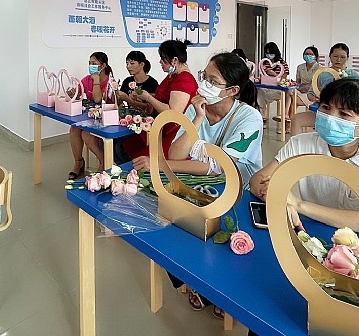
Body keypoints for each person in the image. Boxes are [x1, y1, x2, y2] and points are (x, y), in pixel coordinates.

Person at [132, 52, 263, 320]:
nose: (204, 84)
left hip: (237, 190)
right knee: (172, 224)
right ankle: (194, 282)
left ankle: (219, 288)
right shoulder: (197, 107)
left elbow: (219, 166)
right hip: (203, 185)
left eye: (213, 81)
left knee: (224, 237)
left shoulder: (249, 117)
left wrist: (160, 165)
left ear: (232, 90)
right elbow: (177, 154)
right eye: (204, 76)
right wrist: (198, 118)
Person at [250, 78, 359, 234]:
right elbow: (258, 180)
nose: (331, 118)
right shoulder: (301, 143)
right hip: (314, 233)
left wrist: (299, 205)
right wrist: (276, 196)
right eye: (326, 107)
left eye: (344, 114)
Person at [117, 40, 197, 163]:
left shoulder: (184, 80)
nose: (160, 62)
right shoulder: (173, 76)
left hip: (173, 133)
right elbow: (165, 96)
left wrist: (148, 97)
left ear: (174, 60)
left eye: (163, 59)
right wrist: (145, 95)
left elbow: (173, 113)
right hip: (161, 126)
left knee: (131, 152)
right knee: (121, 146)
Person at [292, 43, 359, 136]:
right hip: (325, 112)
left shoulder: (353, 75)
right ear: (330, 56)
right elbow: (310, 93)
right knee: (296, 119)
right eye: (335, 56)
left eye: (342, 57)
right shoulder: (322, 74)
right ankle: (297, 145)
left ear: (347, 58)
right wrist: (314, 99)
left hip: (344, 116)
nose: (338, 60)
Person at [68, 52, 113, 179]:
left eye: (94, 63)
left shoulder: (110, 81)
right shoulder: (86, 79)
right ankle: (78, 162)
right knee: (74, 128)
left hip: (107, 118)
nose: (90, 66)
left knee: (86, 134)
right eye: (89, 63)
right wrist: (73, 94)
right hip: (91, 116)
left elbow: (98, 99)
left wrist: (96, 80)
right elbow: (77, 95)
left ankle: (103, 161)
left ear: (103, 66)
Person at [257, 42, 291, 132]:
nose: (269, 55)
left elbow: (283, 80)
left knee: (288, 93)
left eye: (271, 53)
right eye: (267, 53)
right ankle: (262, 117)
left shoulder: (283, 63)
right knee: (258, 91)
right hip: (266, 89)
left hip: (278, 90)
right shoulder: (264, 63)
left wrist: (274, 74)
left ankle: (284, 116)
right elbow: (262, 77)